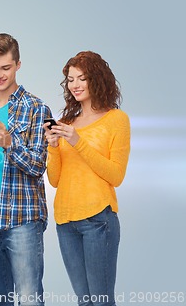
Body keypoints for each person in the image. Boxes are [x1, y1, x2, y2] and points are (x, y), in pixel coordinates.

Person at [44, 51, 130, 306]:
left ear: (97, 79)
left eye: (82, 78)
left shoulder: (116, 120)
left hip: (98, 221)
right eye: (71, 79)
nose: (76, 85)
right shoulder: (65, 122)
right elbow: (56, 180)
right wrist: (53, 145)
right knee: (84, 303)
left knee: (102, 302)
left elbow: (116, 175)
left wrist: (77, 142)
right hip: (66, 222)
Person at [0, 33, 52, 306]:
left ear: (18, 65)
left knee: (29, 300)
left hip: (23, 218)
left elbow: (38, 165)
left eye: (5, 68)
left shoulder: (37, 108)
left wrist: (9, 144)